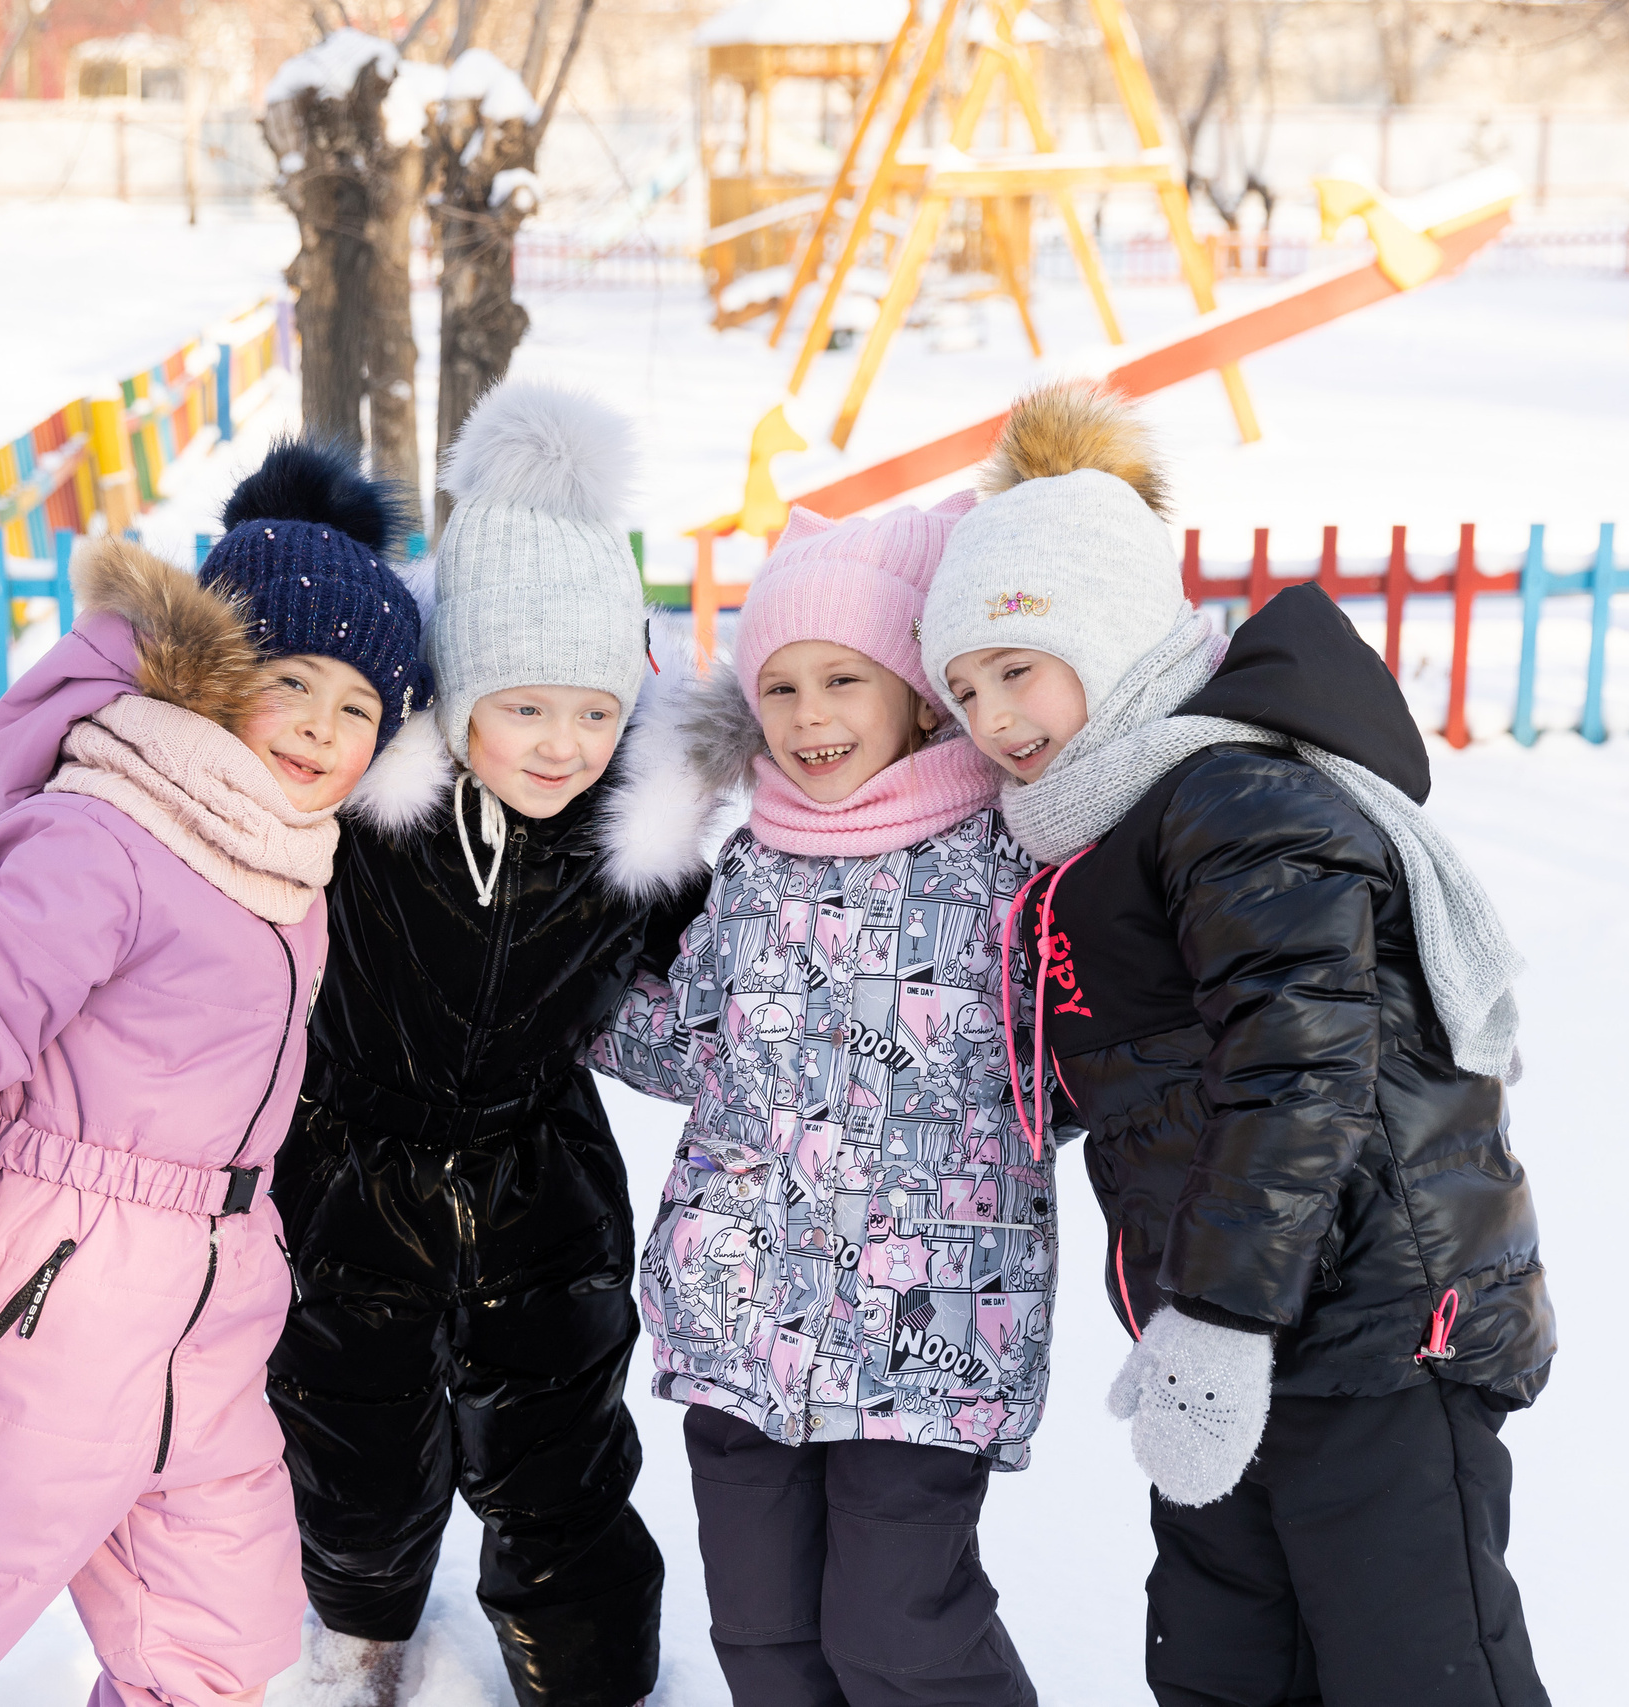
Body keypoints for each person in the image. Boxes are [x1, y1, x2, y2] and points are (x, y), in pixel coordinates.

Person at [0, 440, 425, 1707]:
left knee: (216, 1646)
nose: (322, 727)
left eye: (358, 707)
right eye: (292, 681)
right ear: (212, 675)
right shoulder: (106, 828)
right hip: (35, 1311)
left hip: (207, 1323)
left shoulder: (288, 861)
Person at [919, 381, 1555, 1707]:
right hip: (1238, 1327)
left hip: (1376, 1332)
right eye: (963, 686)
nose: (991, 717)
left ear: (1109, 636)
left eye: (1017, 668)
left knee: (1413, 1670)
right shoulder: (1109, 827)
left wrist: (1217, 1317)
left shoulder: (1234, 799)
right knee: (1227, 1664)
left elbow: (1298, 1069)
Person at [268, 380, 731, 1707]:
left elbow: (727, 969)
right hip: (352, 1170)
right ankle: (360, 1637)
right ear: (462, 686)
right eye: (525, 707)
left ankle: (592, 1677)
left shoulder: (632, 838)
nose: (563, 745)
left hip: (541, 1183)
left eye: (594, 710)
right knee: (356, 1450)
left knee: (561, 1459)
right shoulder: (370, 816)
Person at [589, 493, 1049, 1707]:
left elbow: (1066, 1065)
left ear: (920, 696)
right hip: (741, 1319)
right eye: (780, 688)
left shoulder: (1004, 861)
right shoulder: (754, 863)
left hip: (924, 1335)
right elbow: (695, 1048)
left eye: (843, 680)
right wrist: (555, 994)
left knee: (902, 1636)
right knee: (765, 1637)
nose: (808, 718)